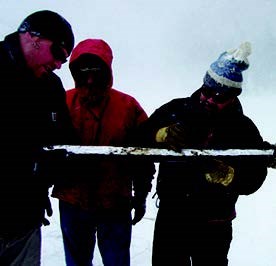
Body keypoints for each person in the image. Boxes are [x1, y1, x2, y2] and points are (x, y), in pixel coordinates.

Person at [134, 42, 268, 266]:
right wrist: (160, 135)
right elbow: (137, 142)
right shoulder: (174, 110)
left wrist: (229, 176)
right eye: (207, 90)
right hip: (172, 218)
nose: (209, 99)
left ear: (233, 96)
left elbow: (256, 176)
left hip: (215, 223)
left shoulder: (243, 128)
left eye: (219, 96)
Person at [52, 38, 155, 266]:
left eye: (96, 73)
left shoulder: (128, 107)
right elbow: (44, 148)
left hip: (115, 203)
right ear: (75, 72)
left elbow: (143, 158)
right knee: (77, 261)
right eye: (83, 72)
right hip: (72, 201)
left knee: (116, 261)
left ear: (107, 72)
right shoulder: (61, 103)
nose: (89, 80)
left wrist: (140, 196)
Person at [0, 10, 77, 265]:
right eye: (58, 53)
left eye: (64, 61)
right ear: (34, 37)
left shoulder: (51, 87)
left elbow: (64, 139)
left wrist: (58, 167)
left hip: (25, 221)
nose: (58, 64)